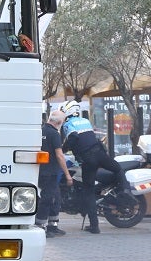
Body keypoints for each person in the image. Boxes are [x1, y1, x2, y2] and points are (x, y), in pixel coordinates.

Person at [59, 100, 123, 234]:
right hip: (100, 154)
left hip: (89, 160)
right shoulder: (85, 121)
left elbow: (73, 138)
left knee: (89, 192)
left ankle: (95, 226)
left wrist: (61, 150)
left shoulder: (68, 124)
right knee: (118, 168)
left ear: (67, 111)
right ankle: (124, 192)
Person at [36, 109, 72, 237]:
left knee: (55, 197)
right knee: (48, 199)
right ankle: (41, 226)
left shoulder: (40, 130)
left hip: (39, 170)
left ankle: (53, 225)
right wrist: (67, 175)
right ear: (60, 122)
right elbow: (60, 155)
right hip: (50, 172)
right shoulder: (54, 134)